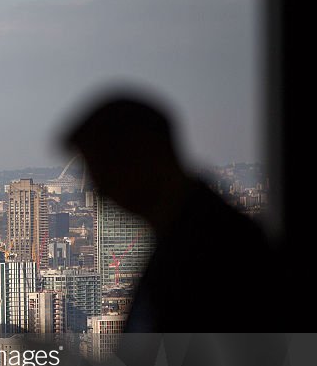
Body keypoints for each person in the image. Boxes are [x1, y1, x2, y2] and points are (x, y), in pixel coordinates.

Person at [60, 91, 280, 332]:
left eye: (102, 173)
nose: (99, 193)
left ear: (142, 158)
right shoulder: (193, 235)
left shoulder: (214, 251)